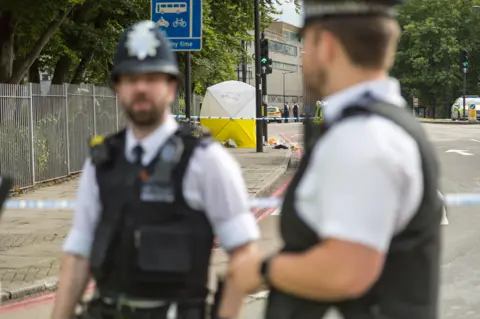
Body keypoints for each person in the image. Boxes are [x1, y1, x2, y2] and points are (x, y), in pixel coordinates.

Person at [228, 1, 443, 319]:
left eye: (305, 43)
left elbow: (345, 271)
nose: (302, 57)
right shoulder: (374, 125)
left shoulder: (364, 137)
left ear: (325, 45)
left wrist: (257, 270)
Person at [52, 20, 260, 319]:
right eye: (130, 78)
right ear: (118, 87)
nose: (140, 87)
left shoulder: (206, 160)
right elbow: (79, 253)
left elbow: (245, 254)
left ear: (171, 86)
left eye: (152, 77)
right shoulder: (101, 161)